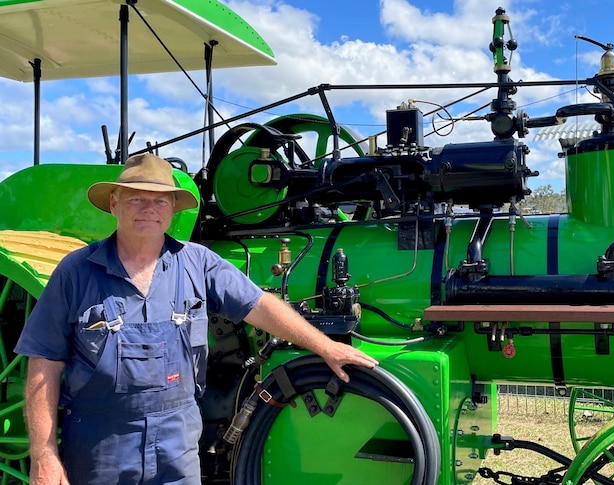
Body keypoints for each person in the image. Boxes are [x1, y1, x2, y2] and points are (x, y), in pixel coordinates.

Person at [15, 154, 379, 485]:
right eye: (136, 198)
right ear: (114, 204)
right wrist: (44, 456)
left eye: (159, 200)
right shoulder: (76, 271)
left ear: (172, 209)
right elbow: (44, 362)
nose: (149, 208)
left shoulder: (198, 262)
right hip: (101, 448)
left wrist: (326, 346)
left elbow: (260, 305)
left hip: (177, 443)